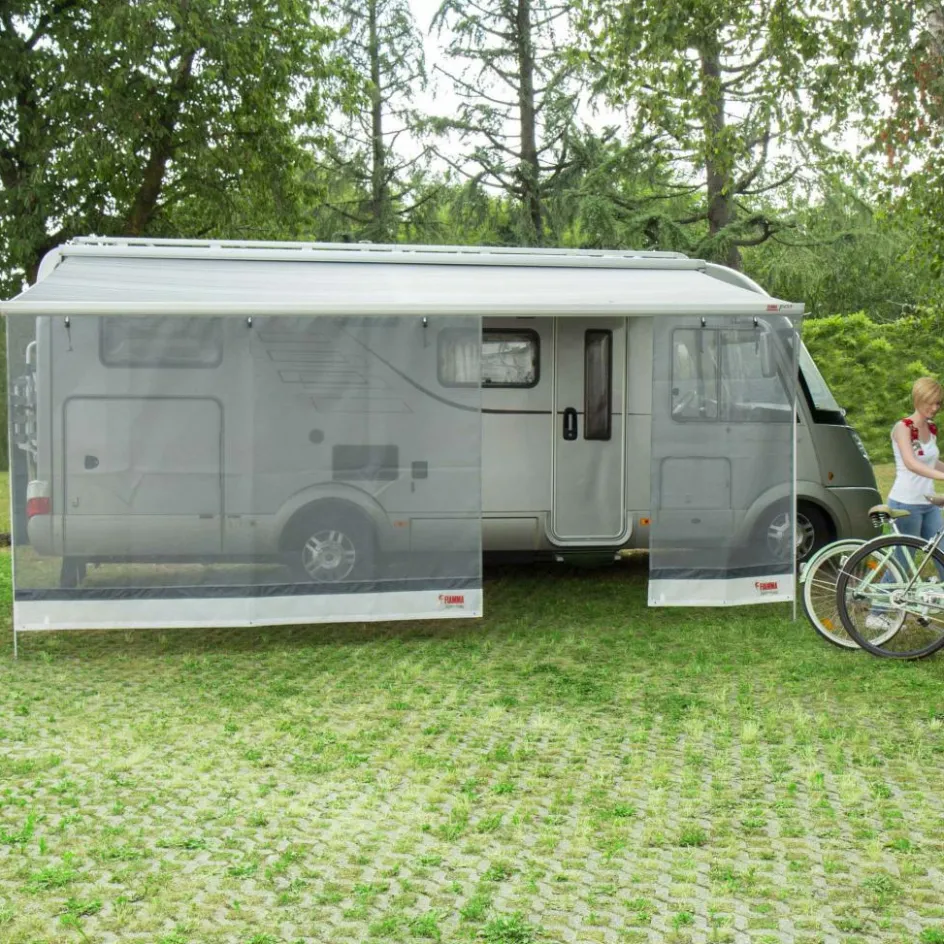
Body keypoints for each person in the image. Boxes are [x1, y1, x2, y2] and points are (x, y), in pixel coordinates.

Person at [867, 377, 944, 631]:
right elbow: (911, 463)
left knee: (942, 553)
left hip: (928, 503)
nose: (935, 408)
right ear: (918, 399)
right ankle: (876, 613)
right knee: (903, 559)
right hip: (906, 503)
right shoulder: (902, 428)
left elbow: (931, 462)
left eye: (938, 404)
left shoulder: (930, 428)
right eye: (931, 403)